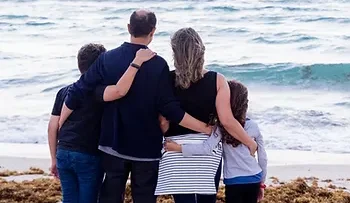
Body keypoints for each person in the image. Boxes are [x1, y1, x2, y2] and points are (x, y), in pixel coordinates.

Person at [58, 10, 213, 203]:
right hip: (146, 148)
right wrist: (205, 128)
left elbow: (78, 91)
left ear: (129, 28)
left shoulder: (107, 59)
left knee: (110, 197)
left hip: (112, 144)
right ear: (153, 31)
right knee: (145, 198)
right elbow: (170, 109)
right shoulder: (158, 65)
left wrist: (59, 125)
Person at [154, 28, 258, 203]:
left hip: (176, 151)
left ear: (175, 52)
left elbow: (163, 121)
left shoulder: (165, 79)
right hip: (207, 151)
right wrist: (249, 142)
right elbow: (227, 120)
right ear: (201, 51)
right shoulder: (217, 80)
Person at [48, 43, 156, 203]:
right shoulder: (100, 92)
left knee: (69, 200)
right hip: (88, 155)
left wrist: (53, 159)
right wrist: (137, 63)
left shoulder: (64, 91)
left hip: (63, 152)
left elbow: (52, 127)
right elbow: (121, 90)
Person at [165, 80, 268, 203]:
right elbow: (263, 158)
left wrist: (179, 148)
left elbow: (206, 148)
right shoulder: (253, 126)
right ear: (245, 103)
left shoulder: (221, 127)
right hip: (254, 178)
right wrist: (261, 183)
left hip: (233, 180)